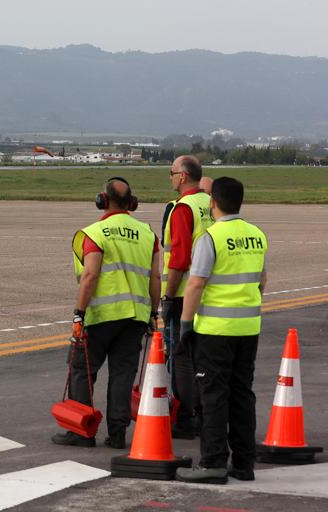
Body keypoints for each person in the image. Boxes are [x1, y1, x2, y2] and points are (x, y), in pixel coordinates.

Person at [53, 177, 161, 449]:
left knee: (82, 369)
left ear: (102, 200)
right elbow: (155, 278)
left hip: (101, 316)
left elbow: (90, 275)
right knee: (122, 375)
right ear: (131, 203)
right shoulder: (148, 234)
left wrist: (79, 313)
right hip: (135, 318)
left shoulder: (95, 233)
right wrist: (152, 313)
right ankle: (117, 434)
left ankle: (81, 432)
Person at [175, 177, 268, 485]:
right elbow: (261, 280)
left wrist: (186, 324)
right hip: (248, 327)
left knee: (213, 395)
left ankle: (213, 462)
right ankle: (244, 462)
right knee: (242, 393)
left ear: (213, 202)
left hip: (215, 331)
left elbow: (196, 283)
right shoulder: (256, 234)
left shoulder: (210, 237)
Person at [160, 155, 214, 439]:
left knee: (181, 356)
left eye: (171, 173)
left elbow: (179, 259)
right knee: (203, 357)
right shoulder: (210, 203)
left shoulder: (183, 208)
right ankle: (206, 414)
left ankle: (185, 416)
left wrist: (168, 298)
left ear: (182, 176)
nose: (170, 178)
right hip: (210, 292)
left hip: (184, 293)